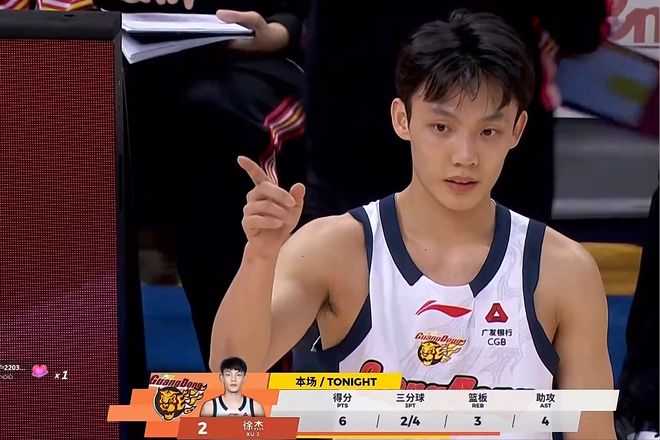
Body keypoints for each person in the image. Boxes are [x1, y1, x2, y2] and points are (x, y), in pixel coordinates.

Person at [210, 12, 615, 439]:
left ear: (517, 130)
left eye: (488, 132)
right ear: (402, 119)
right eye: (442, 127)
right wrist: (260, 256)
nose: (464, 156)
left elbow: (593, 432)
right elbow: (232, 374)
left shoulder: (564, 271)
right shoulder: (333, 249)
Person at [109, 0, 307, 370]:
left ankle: (250, 379)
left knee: (224, 146)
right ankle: (62, 379)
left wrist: (281, 31)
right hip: (98, 60)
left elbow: (305, 17)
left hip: (241, 71)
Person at [200, 356, 265, 417]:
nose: (233, 379)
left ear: (244, 378)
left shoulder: (256, 408)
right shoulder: (209, 408)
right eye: (228, 374)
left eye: (238, 375)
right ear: (222, 378)